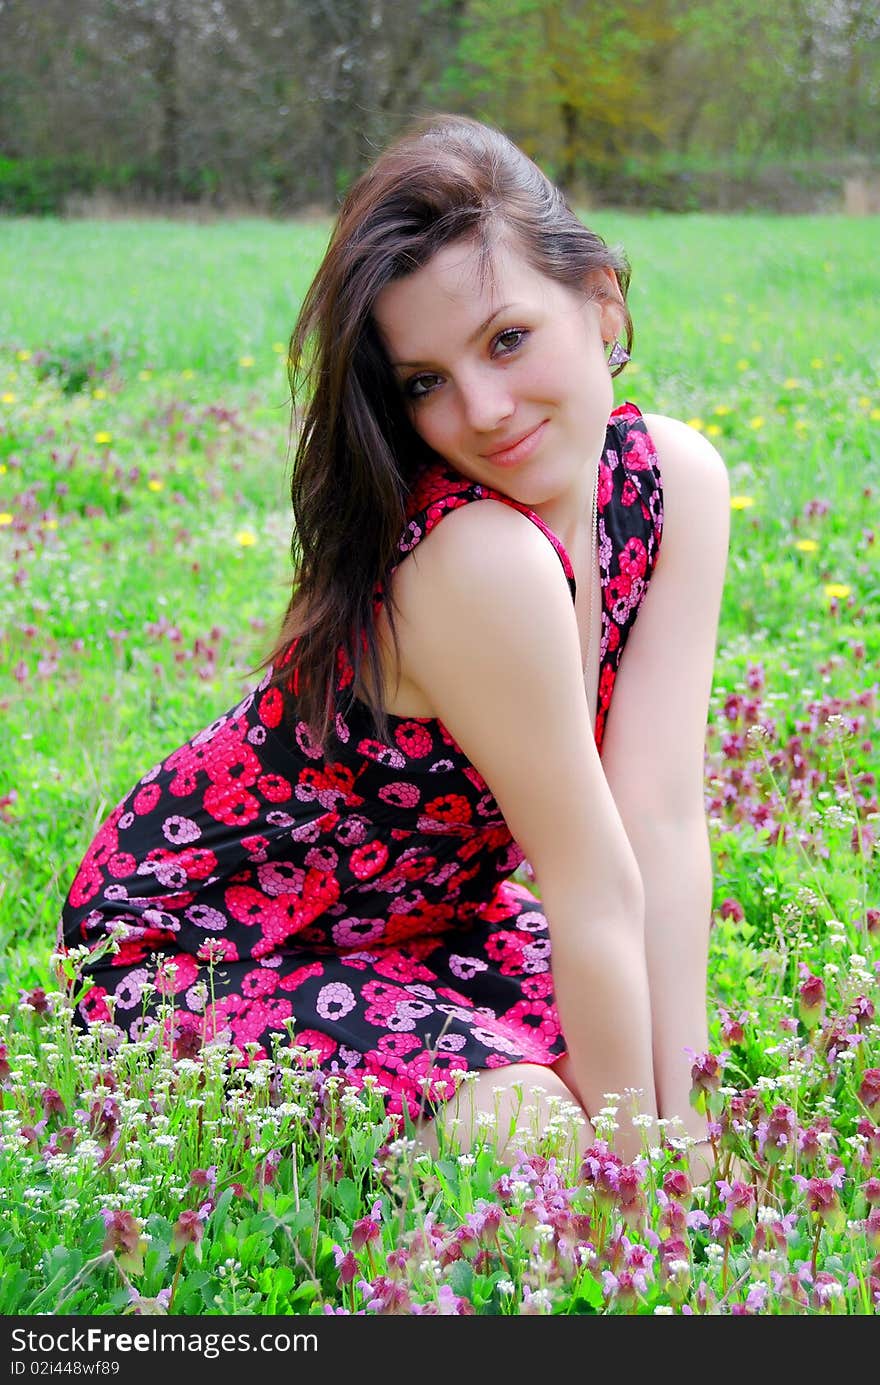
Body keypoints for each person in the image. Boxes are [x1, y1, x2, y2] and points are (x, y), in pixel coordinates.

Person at [58, 114, 730, 1177]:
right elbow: (587, 873)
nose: (483, 409)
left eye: (507, 338)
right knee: (545, 1138)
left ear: (600, 298)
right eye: (425, 380)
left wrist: (685, 1133)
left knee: (671, 1069)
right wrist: (640, 1184)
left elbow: (656, 815)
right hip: (202, 945)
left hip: (425, 927)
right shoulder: (478, 555)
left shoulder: (675, 483)